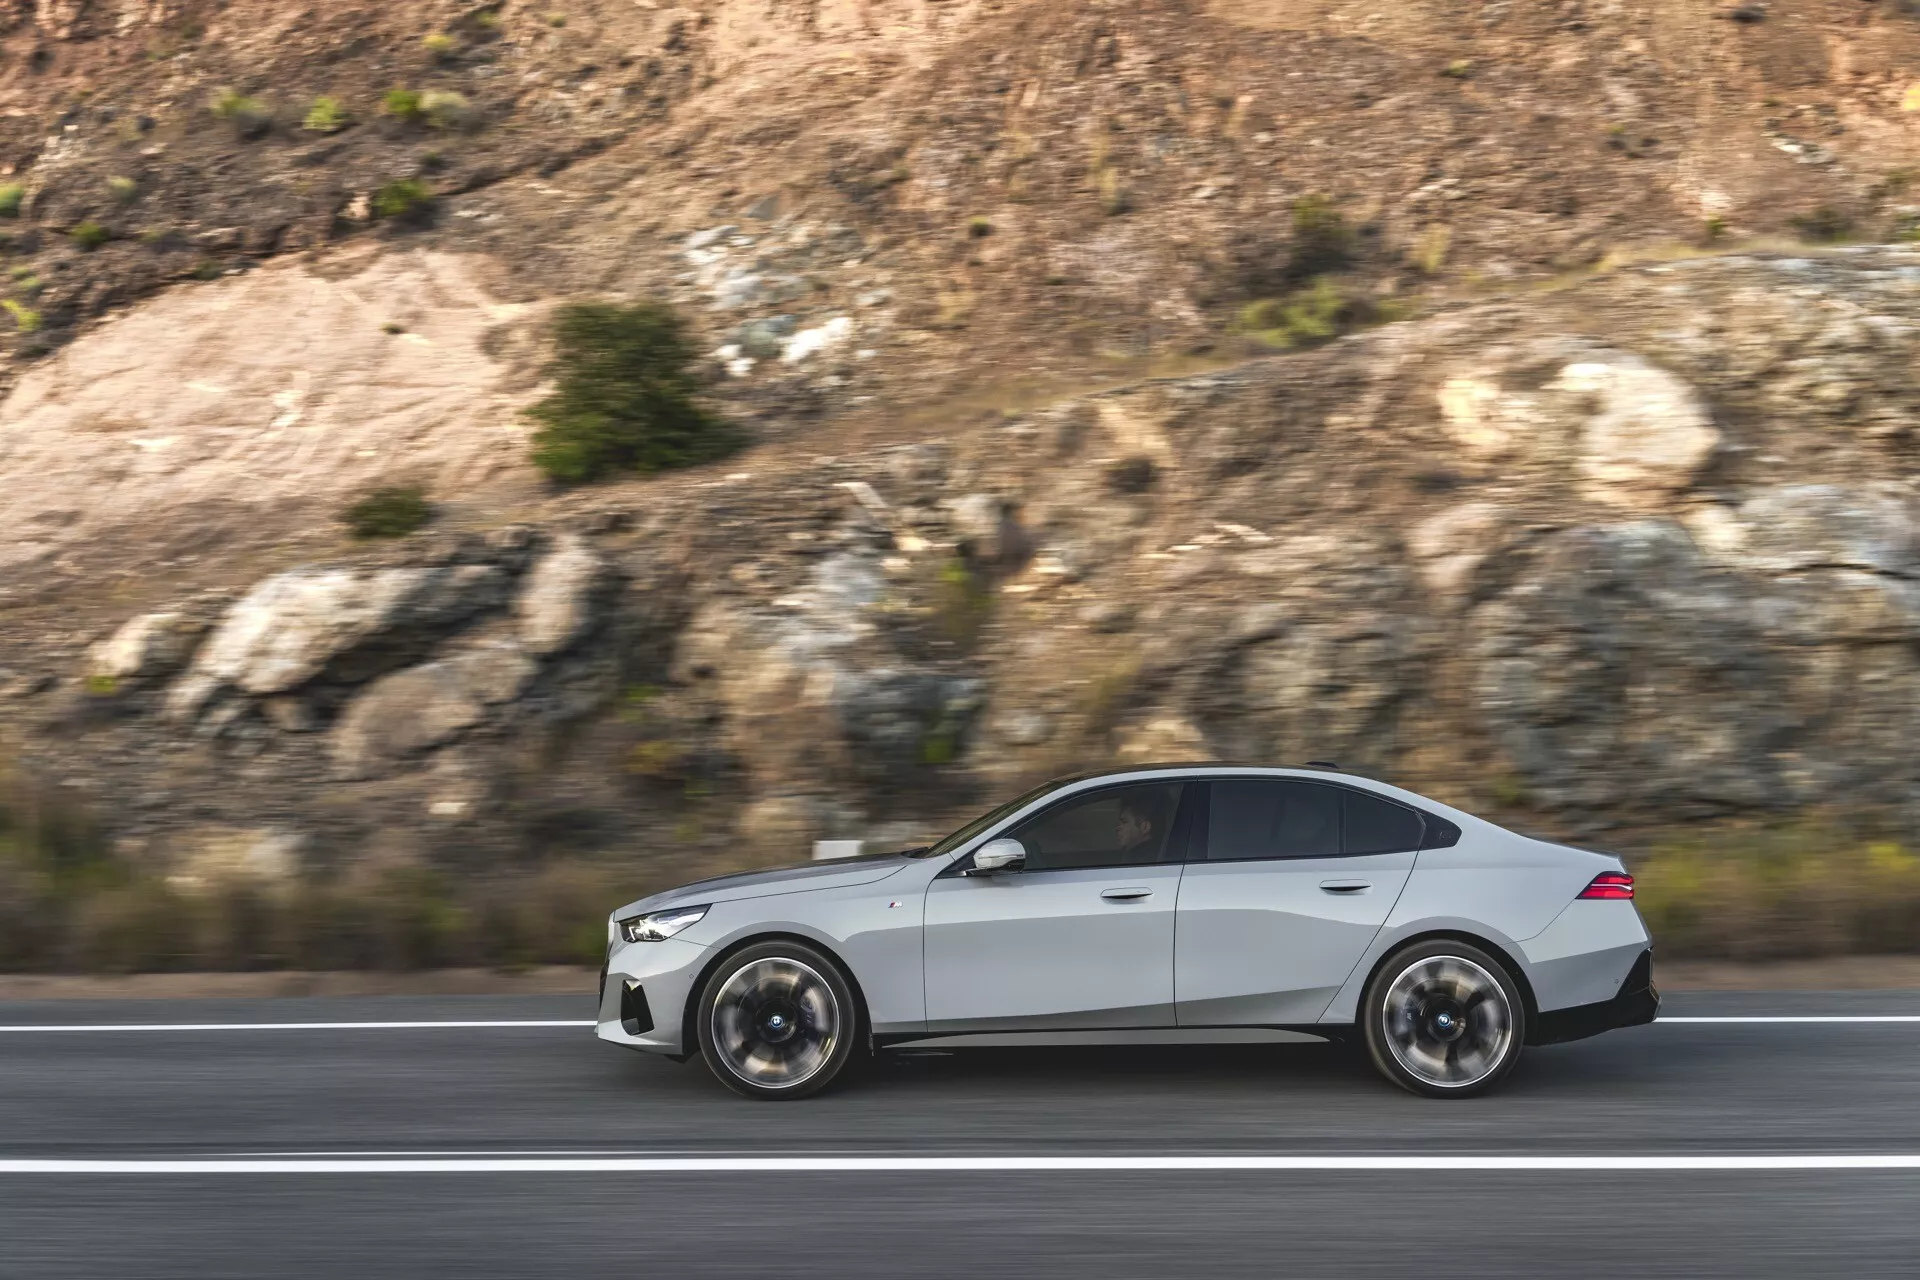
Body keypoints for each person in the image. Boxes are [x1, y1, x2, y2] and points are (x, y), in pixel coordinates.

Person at [1113, 788, 1172, 863]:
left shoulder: (1140, 860)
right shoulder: (1158, 853)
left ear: (1144, 827)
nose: (1117, 828)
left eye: (1124, 822)